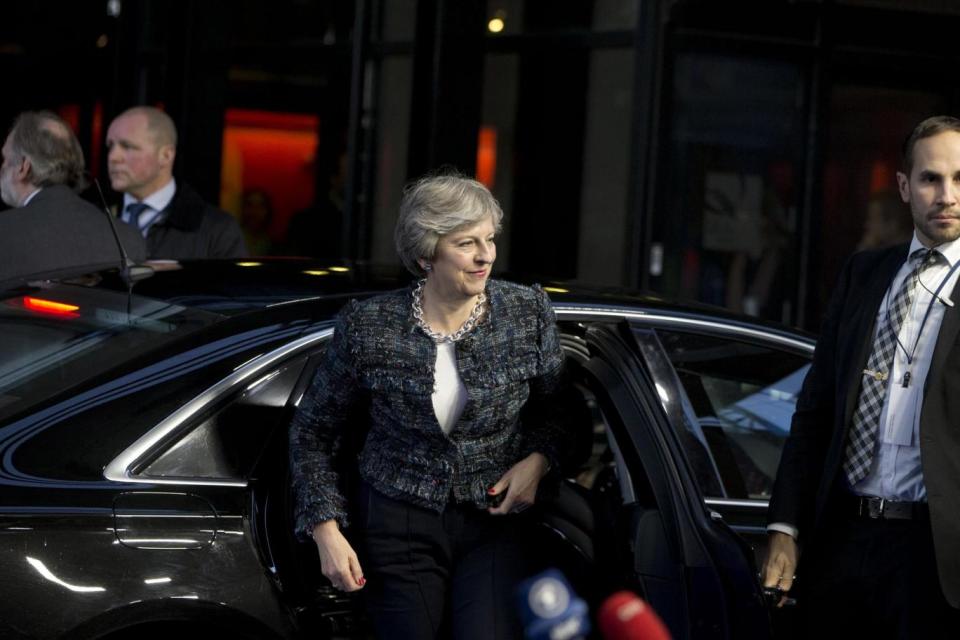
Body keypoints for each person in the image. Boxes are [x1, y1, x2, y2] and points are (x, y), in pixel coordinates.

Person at [289, 174, 578, 640]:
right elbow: (313, 433)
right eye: (467, 243)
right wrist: (326, 529)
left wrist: (538, 463)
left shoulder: (527, 314)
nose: (486, 255)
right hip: (396, 520)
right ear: (426, 254)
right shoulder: (369, 326)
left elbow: (563, 412)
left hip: (494, 523)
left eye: (489, 239)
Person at [763, 115, 960, 638]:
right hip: (842, 538)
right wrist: (785, 526)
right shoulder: (863, 274)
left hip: (937, 557)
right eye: (930, 178)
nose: (947, 195)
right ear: (903, 186)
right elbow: (815, 411)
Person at [0, 110, 146, 283]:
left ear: (23, 167)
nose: (1, 168)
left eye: (5, 159)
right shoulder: (129, 238)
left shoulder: (4, 232)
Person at [106, 106, 248, 260]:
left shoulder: (217, 229)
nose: (113, 157)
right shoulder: (95, 217)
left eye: (127, 146)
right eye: (110, 146)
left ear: (166, 155)